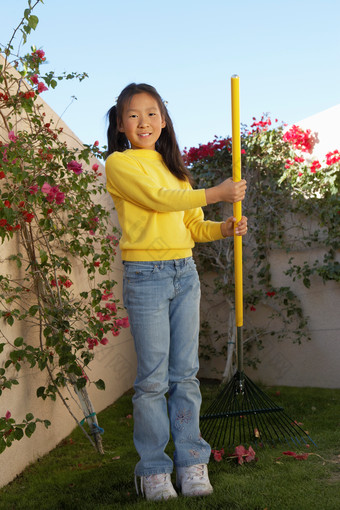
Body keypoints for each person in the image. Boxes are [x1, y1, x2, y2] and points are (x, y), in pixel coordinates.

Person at [105, 83, 247, 501]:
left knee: (185, 374)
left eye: (152, 113)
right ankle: (153, 470)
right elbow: (159, 200)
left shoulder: (177, 172)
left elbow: (190, 225)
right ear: (120, 124)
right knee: (152, 380)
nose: (143, 122)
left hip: (185, 273)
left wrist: (223, 227)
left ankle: (191, 463)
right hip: (146, 275)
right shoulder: (120, 164)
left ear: (163, 120)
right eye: (133, 115)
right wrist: (218, 193)